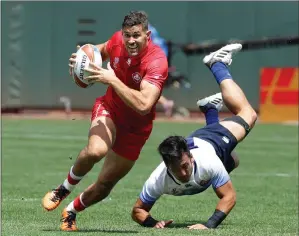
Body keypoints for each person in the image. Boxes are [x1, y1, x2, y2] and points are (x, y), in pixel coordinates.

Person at [41, 11, 168, 231]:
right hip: (110, 108)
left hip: (136, 128)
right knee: (96, 151)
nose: (130, 41)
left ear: (147, 35)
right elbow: (97, 50)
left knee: (105, 184)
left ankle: (70, 211)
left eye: (136, 35)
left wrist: (112, 79)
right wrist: (82, 59)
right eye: (127, 35)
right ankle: (63, 189)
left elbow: (144, 105)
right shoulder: (117, 41)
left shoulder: (157, 61)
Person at [131, 43, 257, 230]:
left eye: (184, 166)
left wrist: (209, 225)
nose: (183, 173)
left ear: (190, 157)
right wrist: (153, 223)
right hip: (206, 151)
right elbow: (137, 211)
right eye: (176, 169)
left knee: (248, 115)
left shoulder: (206, 162)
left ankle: (217, 64)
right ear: (167, 166)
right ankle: (210, 109)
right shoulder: (158, 179)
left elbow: (229, 196)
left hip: (209, 141)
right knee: (232, 161)